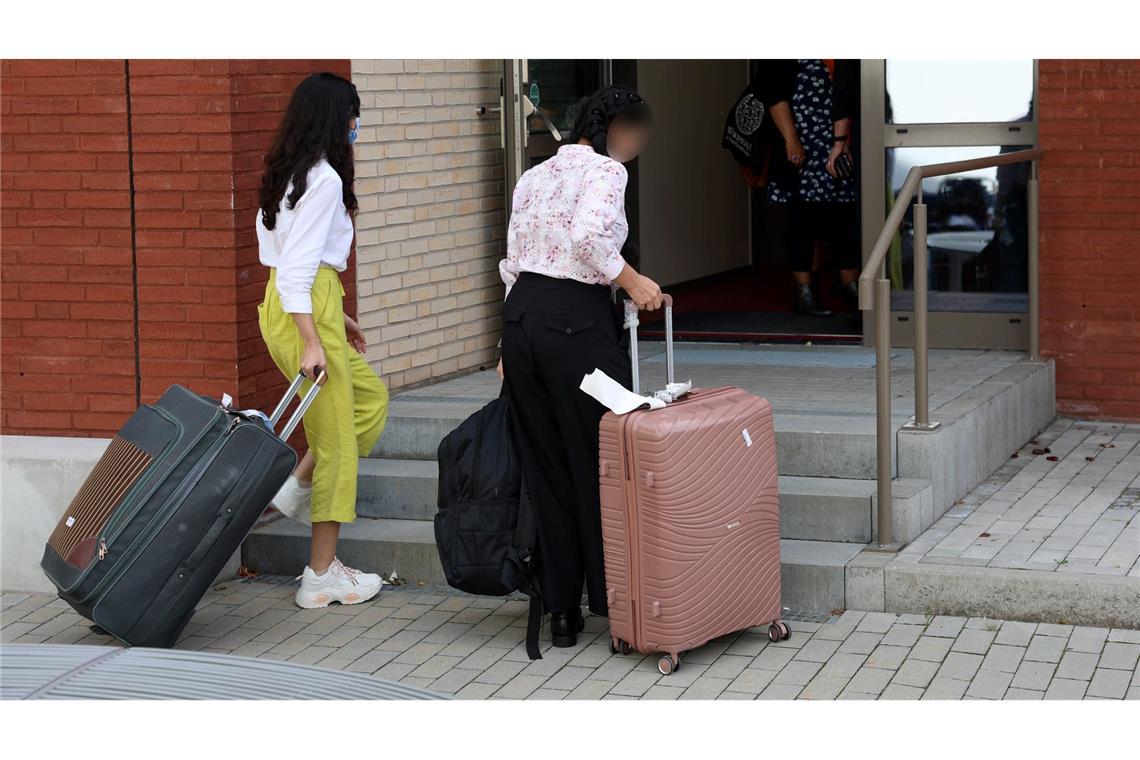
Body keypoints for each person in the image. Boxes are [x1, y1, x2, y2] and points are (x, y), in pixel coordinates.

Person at [496, 85, 663, 648]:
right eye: (635, 130)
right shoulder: (607, 172)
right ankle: (614, 604)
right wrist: (634, 282)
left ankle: (562, 611)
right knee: (600, 461)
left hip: (522, 321)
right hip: (576, 323)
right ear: (611, 127)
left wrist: (506, 346)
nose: (638, 143)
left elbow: (515, 259)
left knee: (546, 467)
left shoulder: (534, 174)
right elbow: (588, 238)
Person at [256, 73, 390, 610]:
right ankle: (320, 576)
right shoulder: (326, 178)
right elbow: (298, 267)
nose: (356, 125)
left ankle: (296, 485)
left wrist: (337, 316)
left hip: (299, 301)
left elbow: (290, 261)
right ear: (337, 118)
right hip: (305, 303)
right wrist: (314, 337)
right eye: (353, 115)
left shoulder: (288, 172)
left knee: (370, 401)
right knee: (335, 444)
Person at [760, 59, 861, 316]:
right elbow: (773, 89)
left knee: (844, 215)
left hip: (837, 138)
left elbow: (848, 87)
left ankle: (851, 286)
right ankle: (805, 292)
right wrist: (791, 139)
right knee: (803, 218)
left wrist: (842, 140)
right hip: (803, 140)